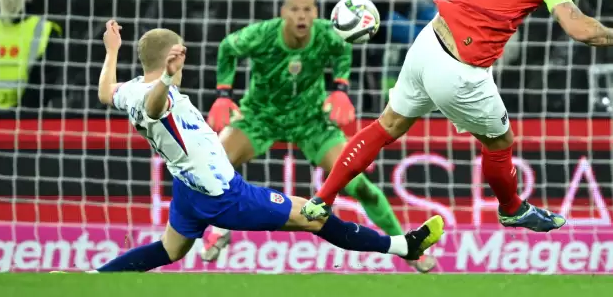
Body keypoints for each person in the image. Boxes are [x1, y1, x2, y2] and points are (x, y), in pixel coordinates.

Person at [301, 0, 613, 232]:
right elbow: (578, 28)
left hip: (428, 42)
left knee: (385, 125)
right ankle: (512, 209)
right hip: (459, 69)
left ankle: (322, 199)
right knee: (500, 142)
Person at [91, 20, 443, 273]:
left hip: (187, 188)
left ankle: (95, 279)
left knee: (169, 250)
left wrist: (112, 51)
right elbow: (156, 109)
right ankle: (404, 246)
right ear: (172, 56)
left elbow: (106, 92)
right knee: (314, 216)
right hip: (222, 194)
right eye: (179, 58)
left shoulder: (132, 90)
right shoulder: (158, 96)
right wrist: (168, 77)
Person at [203, 0, 436, 273]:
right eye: (295, 9)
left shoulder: (328, 33)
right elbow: (227, 48)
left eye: (307, 9)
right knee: (214, 165)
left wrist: (340, 87)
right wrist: (224, 94)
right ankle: (216, 227)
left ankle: (408, 248)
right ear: (283, 12)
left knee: (359, 185)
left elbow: (342, 50)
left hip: (311, 121)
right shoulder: (262, 34)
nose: (302, 16)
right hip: (260, 117)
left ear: (316, 12)